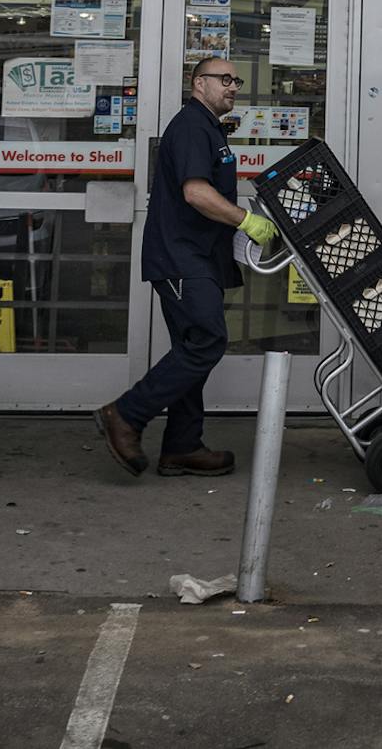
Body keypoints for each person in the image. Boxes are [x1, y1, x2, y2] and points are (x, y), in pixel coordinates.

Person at [94, 56, 279, 478]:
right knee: (207, 342)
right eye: (224, 79)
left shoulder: (209, 128)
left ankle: (182, 446)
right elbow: (196, 193)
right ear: (199, 84)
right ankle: (125, 414)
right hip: (182, 259)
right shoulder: (194, 126)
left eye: (236, 79)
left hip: (198, 257)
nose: (233, 86)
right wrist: (245, 220)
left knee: (190, 347)